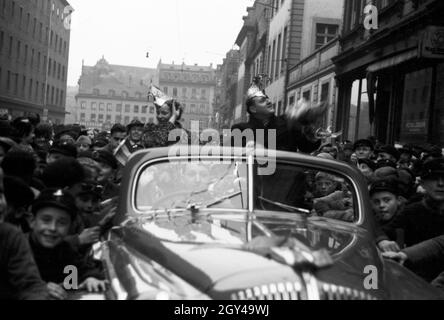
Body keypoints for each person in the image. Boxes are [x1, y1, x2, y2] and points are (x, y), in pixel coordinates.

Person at [28, 189, 106, 300]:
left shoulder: (64, 250)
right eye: (46, 220)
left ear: (70, 227)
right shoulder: (15, 248)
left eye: (62, 222)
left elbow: (80, 272)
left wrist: (90, 278)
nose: (53, 228)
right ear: (32, 221)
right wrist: (37, 288)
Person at [230, 75, 324, 153]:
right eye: (262, 100)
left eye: (267, 99)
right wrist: (290, 121)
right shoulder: (240, 129)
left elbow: (308, 147)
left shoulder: (289, 123)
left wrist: (310, 128)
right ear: (253, 108)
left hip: (287, 175)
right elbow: (247, 154)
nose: (268, 101)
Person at [0, 168, 49, 300]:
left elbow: (30, 285)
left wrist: (66, 286)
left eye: (0, 194)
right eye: (46, 220)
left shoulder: (10, 237)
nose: (53, 228)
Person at [379, 158, 444, 249]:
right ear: (423, 183)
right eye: (434, 179)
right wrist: (382, 240)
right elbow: (382, 231)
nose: (441, 183)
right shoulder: (412, 211)